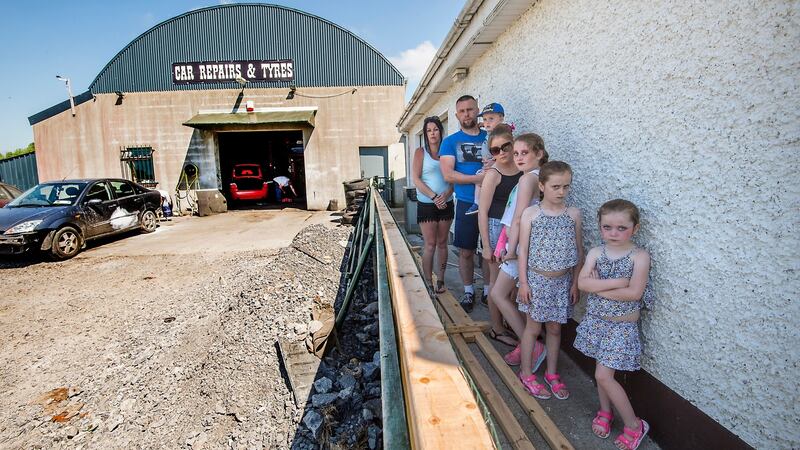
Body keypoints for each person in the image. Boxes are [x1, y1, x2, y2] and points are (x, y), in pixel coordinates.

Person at [574, 199, 653, 449]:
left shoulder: (639, 257)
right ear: (600, 227)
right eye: (607, 227)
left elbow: (634, 294)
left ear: (635, 228)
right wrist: (619, 282)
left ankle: (634, 424)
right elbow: (583, 284)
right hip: (597, 322)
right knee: (601, 374)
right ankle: (605, 411)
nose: (614, 233)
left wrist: (600, 288)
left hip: (621, 326)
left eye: (621, 228)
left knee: (603, 375)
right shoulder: (597, 252)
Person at [516, 161, 583, 400]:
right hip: (536, 281)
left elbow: (578, 250)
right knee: (533, 328)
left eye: (566, 186)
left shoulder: (573, 214)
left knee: (555, 328)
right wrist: (524, 283)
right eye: (556, 186)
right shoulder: (531, 214)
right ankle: (526, 373)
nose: (561, 192)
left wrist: (575, 282)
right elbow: (523, 250)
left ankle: (552, 373)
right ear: (542, 186)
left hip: (562, 283)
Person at [488, 133, 549, 368]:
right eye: (516, 153)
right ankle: (528, 343)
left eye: (525, 153)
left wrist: (509, 248)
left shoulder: (528, 180)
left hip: (520, 246)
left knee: (498, 294)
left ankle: (531, 345)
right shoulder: (529, 177)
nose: (519, 157)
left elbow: (519, 217)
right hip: (518, 243)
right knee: (512, 297)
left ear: (539, 154)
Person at [439, 95, 489, 312]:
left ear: (477, 109)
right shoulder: (450, 142)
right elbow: (448, 174)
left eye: (470, 109)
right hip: (466, 203)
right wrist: (477, 179)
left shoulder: (491, 136)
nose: (467, 114)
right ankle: (469, 291)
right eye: (462, 111)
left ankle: (488, 290)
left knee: (490, 250)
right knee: (466, 251)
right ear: (457, 114)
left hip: (493, 204)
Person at [477, 124, 522, 346]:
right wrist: (486, 245)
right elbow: (482, 212)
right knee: (497, 281)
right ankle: (496, 328)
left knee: (513, 282)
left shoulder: (523, 168)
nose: (502, 153)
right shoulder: (493, 174)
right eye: (496, 150)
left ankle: (510, 323)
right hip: (497, 229)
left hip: (518, 230)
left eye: (506, 146)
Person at [411, 116, 454, 294]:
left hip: (447, 203)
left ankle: (441, 280)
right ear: (425, 133)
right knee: (430, 244)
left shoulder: (448, 151)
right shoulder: (420, 152)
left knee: (443, 243)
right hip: (427, 205)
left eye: (435, 129)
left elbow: (453, 178)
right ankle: (428, 281)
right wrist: (434, 196)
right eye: (428, 130)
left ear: (440, 131)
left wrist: (447, 194)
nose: (432, 133)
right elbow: (416, 179)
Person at [465, 102, 506, 217]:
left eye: (491, 119)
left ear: (501, 118)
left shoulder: (501, 135)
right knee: (479, 179)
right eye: (484, 119)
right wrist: (482, 124)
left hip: (495, 167)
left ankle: (479, 204)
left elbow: (505, 152)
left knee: (480, 181)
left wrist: (494, 161)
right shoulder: (490, 133)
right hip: (487, 166)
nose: (487, 122)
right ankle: (479, 203)